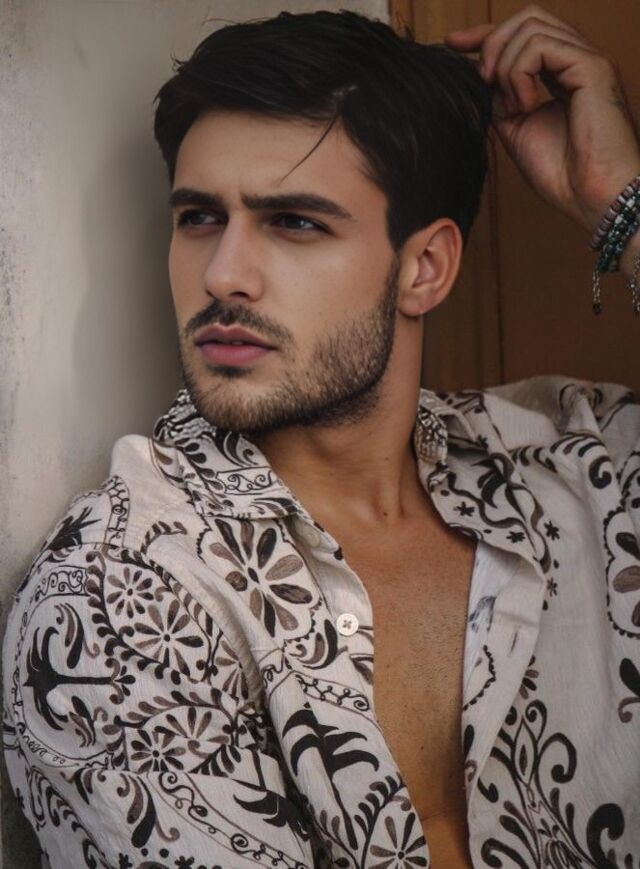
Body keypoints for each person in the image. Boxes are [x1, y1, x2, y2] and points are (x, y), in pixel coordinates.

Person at [3, 4, 640, 866]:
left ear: (425, 268)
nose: (223, 274)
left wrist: (620, 202)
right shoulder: (124, 593)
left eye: (295, 222)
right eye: (199, 217)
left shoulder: (577, 469)